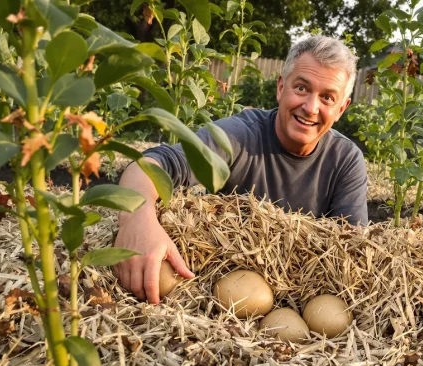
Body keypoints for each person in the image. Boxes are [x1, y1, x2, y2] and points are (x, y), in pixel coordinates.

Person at [113, 35, 368, 303]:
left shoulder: (345, 160)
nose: (311, 107)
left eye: (327, 97)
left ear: (341, 109)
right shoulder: (239, 136)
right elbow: (151, 165)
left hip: (301, 306)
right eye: (302, 88)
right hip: (223, 293)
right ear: (281, 88)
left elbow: (352, 256)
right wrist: (137, 221)